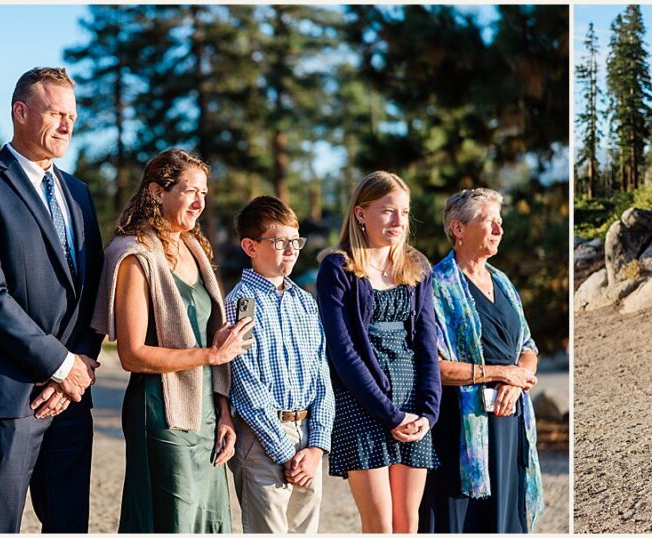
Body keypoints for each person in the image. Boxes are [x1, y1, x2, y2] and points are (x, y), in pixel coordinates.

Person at [0, 67, 103, 533]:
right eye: (56, 113)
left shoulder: (79, 193)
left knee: (69, 523)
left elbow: (92, 286)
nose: (67, 125)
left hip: (73, 394)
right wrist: (59, 364)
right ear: (20, 111)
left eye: (72, 115)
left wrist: (83, 363)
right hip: (9, 392)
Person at [93, 148, 255, 533]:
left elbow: (209, 337)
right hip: (161, 412)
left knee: (210, 522)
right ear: (156, 192)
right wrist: (211, 354)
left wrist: (224, 413)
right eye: (189, 190)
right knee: (172, 521)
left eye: (204, 192)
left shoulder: (195, 249)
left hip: (207, 414)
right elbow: (132, 354)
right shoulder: (134, 255)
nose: (200, 202)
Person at [317, 171, 442, 533]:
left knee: (407, 524)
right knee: (380, 525)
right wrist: (389, 414)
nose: (398, 221)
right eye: (387, 211)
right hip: (362, 403)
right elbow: (343, 351)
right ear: (360, 214)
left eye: (404, 212)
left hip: (413, 402)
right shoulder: (337, 268)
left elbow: (426, 345)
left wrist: (428, 413)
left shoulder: (417, 267)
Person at [421, 188, 548, 532]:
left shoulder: (503, 282)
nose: (498, 229)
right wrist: (501, 373)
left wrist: (515, 378)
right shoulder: (436, 286)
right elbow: (435, 367)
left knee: (505, 519)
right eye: (488, 221)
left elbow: (528, 346)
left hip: (510, 418)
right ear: (458, 229)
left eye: (500, 221)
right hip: (461, 429)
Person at [224, 196, 336, 533]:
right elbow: (246, 384)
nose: (290, 250)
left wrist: (317, 446)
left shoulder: (304, 301)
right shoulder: (240, 303)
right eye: (278, 242)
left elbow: (322, 374)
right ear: (250, 246)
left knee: (304, 529)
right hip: (263, 437)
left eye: (295, 242)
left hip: (308, 432)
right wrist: (285, 450)